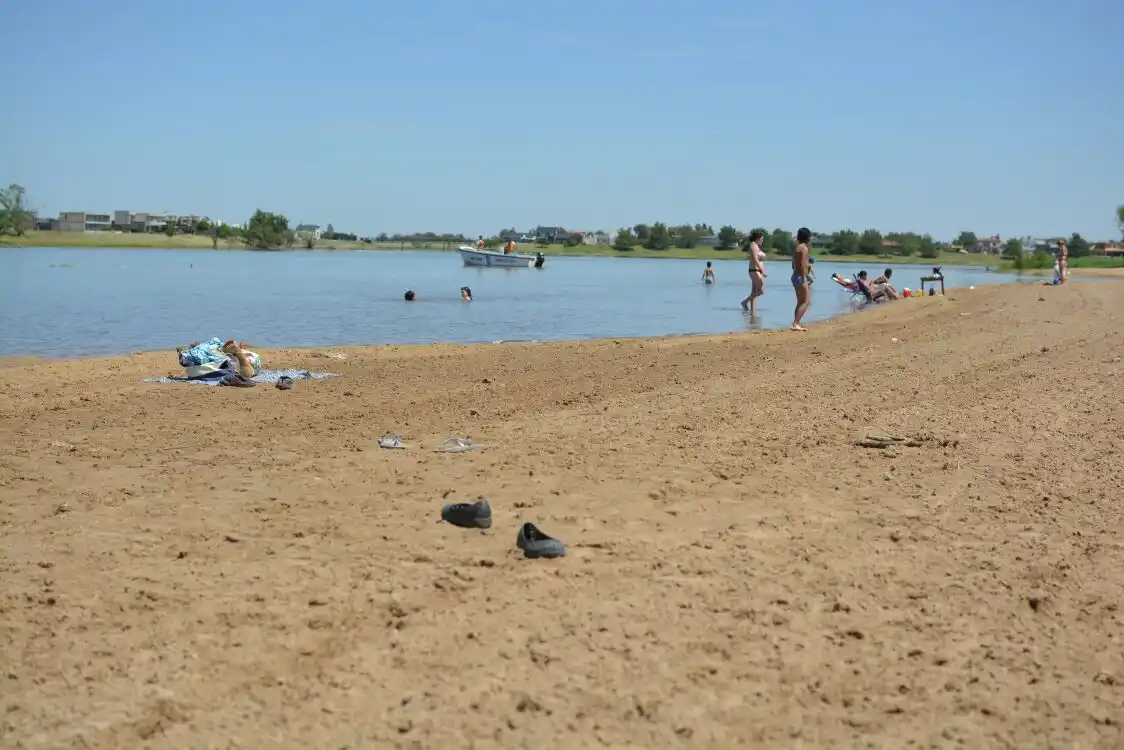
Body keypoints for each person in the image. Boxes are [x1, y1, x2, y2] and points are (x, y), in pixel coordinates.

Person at [791, 227, 812, 331]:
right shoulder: (804, 248)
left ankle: (796, 322)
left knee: (800, 302)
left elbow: (794, 265)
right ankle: (796, 323)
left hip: (795, 276)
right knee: (806, 301)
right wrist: (805, 277)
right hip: (800, 276)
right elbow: (802, 265)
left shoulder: (797, 247)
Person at [740, 229, 766, 313]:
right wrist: (762, 270)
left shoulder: (755, 246)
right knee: (761, 291)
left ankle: (753, 313)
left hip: (756, 270)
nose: (762, 240)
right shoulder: (753, 245)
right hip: (754, 270)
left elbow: (752, 257)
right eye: (762, 238)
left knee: (754, 292)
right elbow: (755, 259)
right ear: (757, 238)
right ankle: (745, 302)